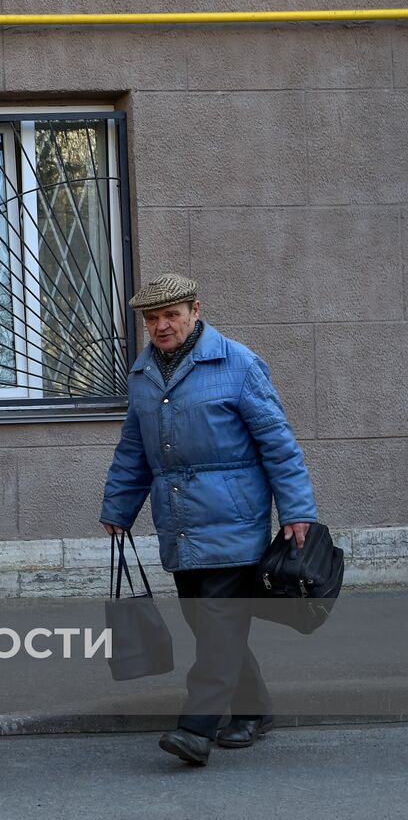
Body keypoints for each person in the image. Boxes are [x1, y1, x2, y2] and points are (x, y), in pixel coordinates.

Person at [100, 274, 317, 766]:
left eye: (170, 315)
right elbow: (134, 449)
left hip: (233, 518)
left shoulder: (237, 363)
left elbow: (278, 444)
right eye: (151, 319)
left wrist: (298, 509)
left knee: (219, 624)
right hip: (178, 521)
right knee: (207, 624)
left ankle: (195, 727)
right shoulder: (143, 374)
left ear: (195, 310)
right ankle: (254, 710)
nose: (161, 326)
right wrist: (118, 506)